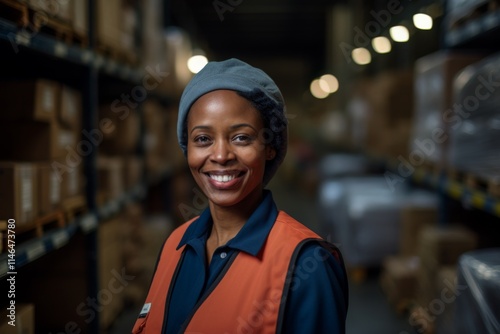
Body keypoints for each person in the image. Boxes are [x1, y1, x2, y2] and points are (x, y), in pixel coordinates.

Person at [132, 58, 348, 334]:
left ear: (270, 146)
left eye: (241, 138)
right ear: (187, 148)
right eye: (202, 139)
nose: (220, 156)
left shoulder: (307, 266)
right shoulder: (175, 245)